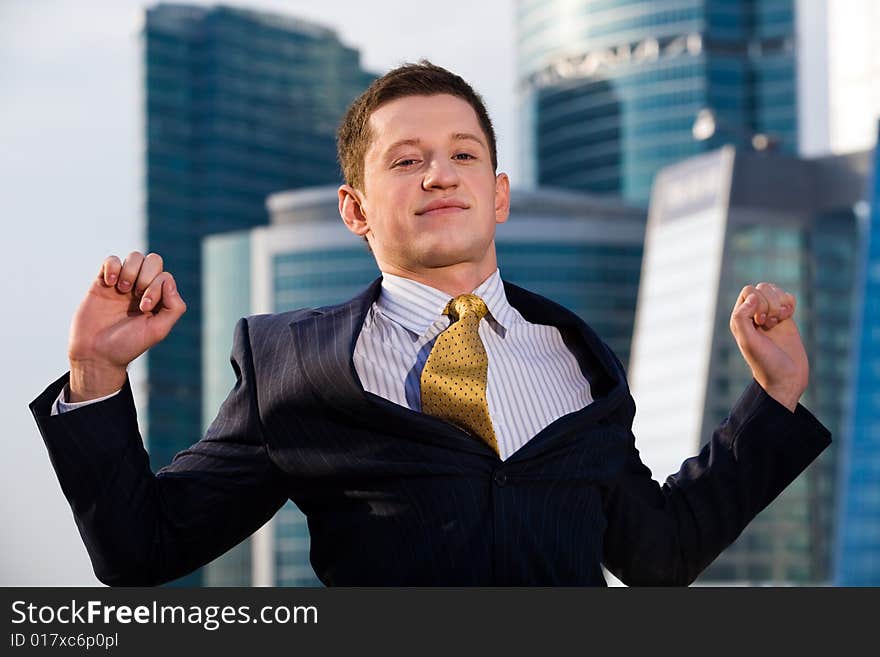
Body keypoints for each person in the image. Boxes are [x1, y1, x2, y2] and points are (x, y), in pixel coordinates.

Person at [30, 61, 830, 586]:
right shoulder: (290, 364)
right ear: (355, 209)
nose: (440, 173)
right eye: (406, 160)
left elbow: (660, 553)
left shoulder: (579, 357)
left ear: (500, 192)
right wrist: (96, 373)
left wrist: (777, 397)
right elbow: (141, 549)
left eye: (463, 154)